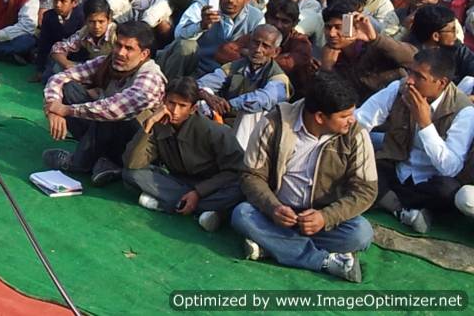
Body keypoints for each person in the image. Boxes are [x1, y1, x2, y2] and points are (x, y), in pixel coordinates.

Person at [231, 72, 377, 284]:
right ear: (320, 117)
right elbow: (251, 175)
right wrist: (273, 208)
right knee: (242, 214)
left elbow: (366, 190)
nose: (352, 120)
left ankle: (271, 247)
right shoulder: (275, 123)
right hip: (279, 216)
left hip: (323, 219)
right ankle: (324, 261)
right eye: (345, 116)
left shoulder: (355, 135)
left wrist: (325, 217)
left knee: (361, 233)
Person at [356, 48, 474, 234]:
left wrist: (425, 123)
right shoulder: (399, 88)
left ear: (441, 83)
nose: (410, 80)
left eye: (419, 76)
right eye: (410, 71)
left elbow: (451, 168)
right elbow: (361, 120)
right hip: (396, 167)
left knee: (448, 191)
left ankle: (388, 201)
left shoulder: (463, 111)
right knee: (361, 169)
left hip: (431, 181)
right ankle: (403, 210)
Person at [41, 21, 167, 185]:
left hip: (134, 145)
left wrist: (65, 110)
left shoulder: (151, 78)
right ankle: (102, 161)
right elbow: (59, 78)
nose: (120, 53)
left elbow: (113, 109)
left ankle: (81, 163)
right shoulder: (107, 62)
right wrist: (53, 108)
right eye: (118, 45)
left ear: (144, 54)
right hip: (108, 127)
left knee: (105, 110)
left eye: (129, 49)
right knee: (69, 88)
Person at [122, 76, 245, 232]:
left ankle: (172, 203)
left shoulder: (215, 132)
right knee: (131, 173)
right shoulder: (158, 124)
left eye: (182, 105)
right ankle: (199, 210)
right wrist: (150, 124)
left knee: (241, 189)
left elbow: (237, 171)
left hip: (212, 186)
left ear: (192, 109)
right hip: (178, 183)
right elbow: (132, 163)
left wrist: (198, 193)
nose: (175, 111)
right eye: (171, 103)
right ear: (163, 101)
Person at [198, 24, 292, 149]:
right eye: (255, 43)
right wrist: (206, 95)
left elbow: (262, 99)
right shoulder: (235, 66)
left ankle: (238, 160)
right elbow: (202, 83)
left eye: (265, 46)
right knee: (200, 97)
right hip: (227, 121)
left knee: (251, 109)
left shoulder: (279, 78)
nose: (258, 49)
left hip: (260, 133)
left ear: (276, 52)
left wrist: (228, 105)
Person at [162, 0, 264, 78]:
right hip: (194, 64)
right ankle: (171, 86)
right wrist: (201, 25)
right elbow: (179, 35)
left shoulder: (256, 17)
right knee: (186, 45)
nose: (230, 0)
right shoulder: (202, 6)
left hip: (225, 72)